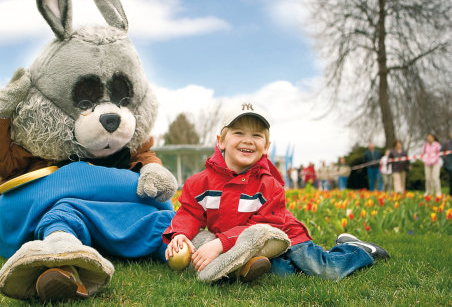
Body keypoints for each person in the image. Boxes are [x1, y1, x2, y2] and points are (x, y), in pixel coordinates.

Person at [163, 102, 389, 283]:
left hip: (284, 237)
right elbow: (190, 213)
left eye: (257, 136)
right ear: (221, 141)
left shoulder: (269, 185)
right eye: (239, 132)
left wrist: (221, 243)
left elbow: (262, 228)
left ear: (267, 146)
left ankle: (356, 250)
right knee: (279, 274)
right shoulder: (199, 183)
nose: (248, 141)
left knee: (322, 270)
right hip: (243, 246)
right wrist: (180, 234)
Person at [442, 131, 452, 196]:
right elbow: (441, 153)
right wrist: (445, 160)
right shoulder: (447, 143)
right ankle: (451, 194)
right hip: (449, 165)